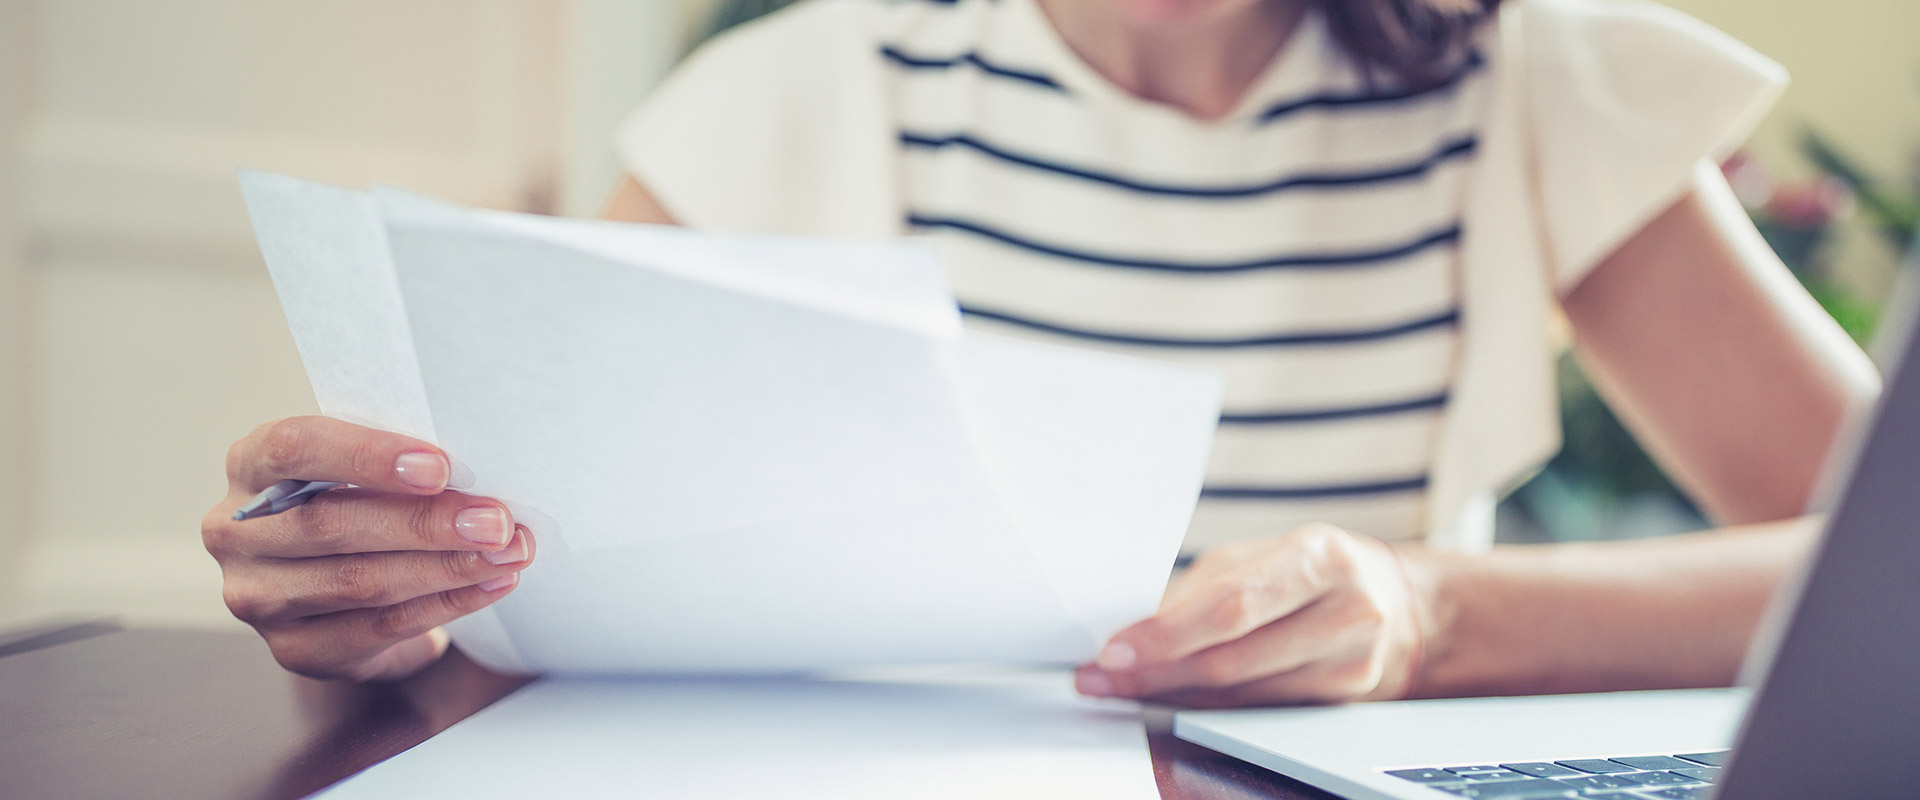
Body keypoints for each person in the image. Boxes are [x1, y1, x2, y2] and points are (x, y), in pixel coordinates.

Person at [203, 0, 1879, 704]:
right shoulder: (805, 90)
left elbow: (1895, 578)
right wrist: (377, 597)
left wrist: (1435, 608)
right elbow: (515, 586)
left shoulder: (1531, 81)